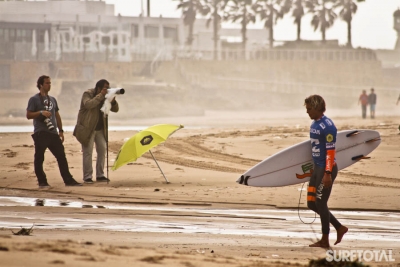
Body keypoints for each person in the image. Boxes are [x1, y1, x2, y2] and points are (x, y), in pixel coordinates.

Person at [304, 95, 348, 248]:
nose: (307, 112)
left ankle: (325, 239)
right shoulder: (315, 123)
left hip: (326, 170)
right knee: (311, 203)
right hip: (317, 168)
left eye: (309, 109)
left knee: (321, 203)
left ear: (317, 108)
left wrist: (327, 174)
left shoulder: (328, 127)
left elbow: (330, 152)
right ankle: (339, 227)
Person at [26, 75, 82, 188]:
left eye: (50, 83)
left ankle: (68, 180)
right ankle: (42, 181)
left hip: (53, 133)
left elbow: (57, 115)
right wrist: (41, 113)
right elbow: (28, 115)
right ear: (41, 85)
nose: (49, 85)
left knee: (61, 156)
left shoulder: (52, 99)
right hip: (41, 132)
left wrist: (60, 130)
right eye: (47, 83)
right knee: (39, 158)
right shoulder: (34, 99)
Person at [73, 79, 119, 184]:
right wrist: (100, 96)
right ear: (98, 88)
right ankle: (87, 176)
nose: (106, 90)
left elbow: (116, 109)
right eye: (105, 88)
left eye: (108, 88)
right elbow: (88, 104)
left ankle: (100, 175)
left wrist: (113, 101)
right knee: (88, 153)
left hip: (100, 129)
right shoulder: (88, 94)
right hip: (87, 129)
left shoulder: (105, 97)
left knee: (102, 150)